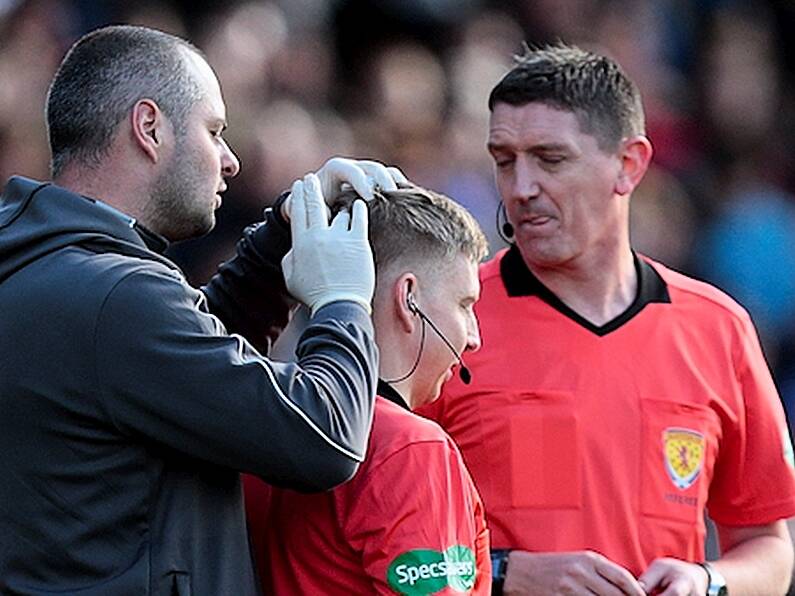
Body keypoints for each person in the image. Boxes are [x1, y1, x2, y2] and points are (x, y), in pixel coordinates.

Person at [0, 24, 404, 595]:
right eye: (214, 131)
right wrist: (341, 300)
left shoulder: (46, 266)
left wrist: (280, 237)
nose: (231, 160)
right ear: (149, 128)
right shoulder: (115, 296)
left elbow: (178, 375)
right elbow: (322, 439)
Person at [418, 43, 795, 595]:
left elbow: (770, 546)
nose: (521, 188)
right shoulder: (448, 320)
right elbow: (369, 532)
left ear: (629, 164)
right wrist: (501, 573)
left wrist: (708, 582)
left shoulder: (717, 328)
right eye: (505, 160)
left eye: (550, 159)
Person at [245, 185, 492, 595]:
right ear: (408, 298)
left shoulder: (266, 421)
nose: (473, 337)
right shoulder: (410, 447)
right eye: (465, 304)